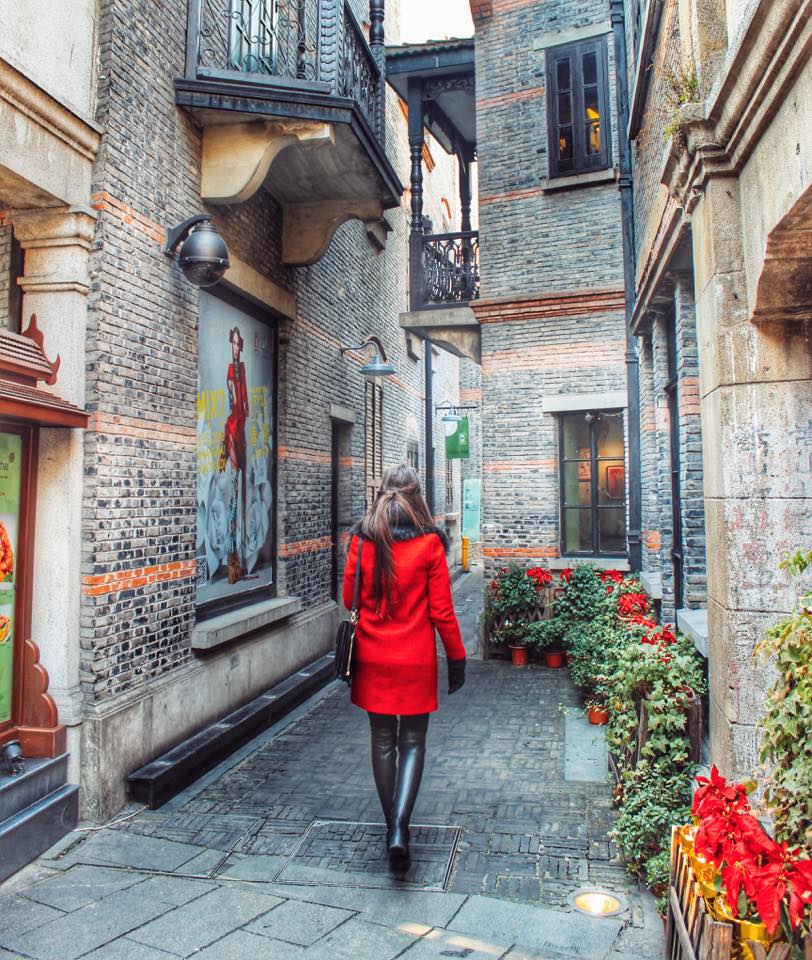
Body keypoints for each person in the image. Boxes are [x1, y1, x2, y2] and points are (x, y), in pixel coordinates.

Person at [342, 465, 467, 867]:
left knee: (382, 739)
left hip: (372, 657)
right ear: (418, 497)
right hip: (415, 660)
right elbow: (442, 612)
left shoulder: (361, 541)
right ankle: (400, 826)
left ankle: (391, 826)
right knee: (412, 741)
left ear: (383, 493)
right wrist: (457, 657)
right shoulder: (430, 544)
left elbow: (348, 599)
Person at [222, 326, 249, 583]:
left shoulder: (242, 369)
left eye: (238, 344)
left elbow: (244, 399)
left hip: (242, 427)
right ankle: (232, 555)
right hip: (234, 426)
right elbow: (233, 395)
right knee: (234, 485)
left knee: (241, 484)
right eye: (233, 343)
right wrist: (234, 396)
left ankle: (240, 555)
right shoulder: (232, 369)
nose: (236, 347)